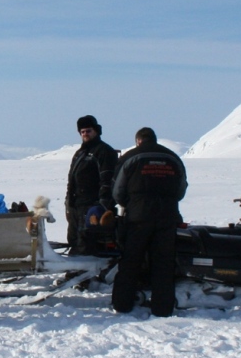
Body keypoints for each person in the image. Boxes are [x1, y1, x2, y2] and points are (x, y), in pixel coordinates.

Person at [110, 127, 187, 318]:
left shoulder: (130, 157)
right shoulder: (173, 158)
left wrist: (128, 203)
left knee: (130, 260)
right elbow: (181, 189)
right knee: (164, 263)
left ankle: (122, 304)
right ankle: (162, 308)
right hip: (167, 216)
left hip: (138, 217)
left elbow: (118, 190)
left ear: (138, 141)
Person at [65, 115, 118, 255]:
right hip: (76, 205)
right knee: (74, 241)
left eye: (88, 131)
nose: (85, 134)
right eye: (82, 132)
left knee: (86, 243)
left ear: (96, 131)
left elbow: (107, 180)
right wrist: (68, 205)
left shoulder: (104, 151)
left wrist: (103, 205)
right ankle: (75, 271)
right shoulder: (80, 153)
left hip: (91, 206)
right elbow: (71, 181)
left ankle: (85, 274)